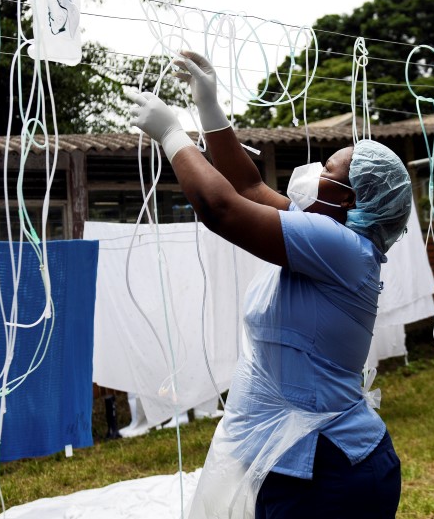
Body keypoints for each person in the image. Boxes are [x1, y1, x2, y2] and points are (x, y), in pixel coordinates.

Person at [127, 51, 412, 519]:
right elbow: (248, 187)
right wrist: (209, 107)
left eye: (328, 168)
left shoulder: (340, 246)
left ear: (345, 198)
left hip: (331, 471)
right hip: (303, 462)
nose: (314, 170)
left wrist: (171, 135)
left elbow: (223, 208)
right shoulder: (329, 237)